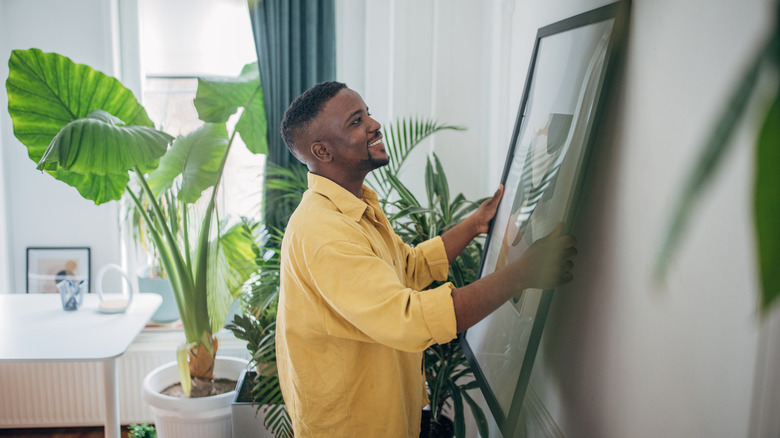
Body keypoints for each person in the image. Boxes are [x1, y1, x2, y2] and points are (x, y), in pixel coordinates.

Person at [276, 81, 577, 437]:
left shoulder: (356, 206)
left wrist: (474, 224)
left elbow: (409, 267)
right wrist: (521, 274)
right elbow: (411, 319)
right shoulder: (325, 233)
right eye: (356, 121)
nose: (374, 125)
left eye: (368, 113)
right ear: (322, 151)